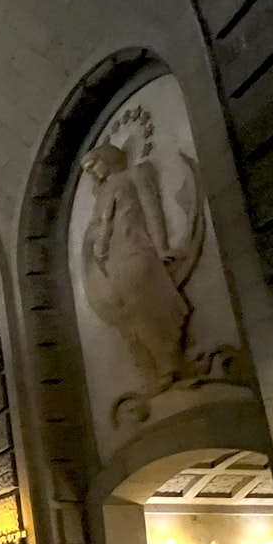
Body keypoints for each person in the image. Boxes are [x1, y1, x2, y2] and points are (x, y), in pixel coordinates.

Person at [80, 142, 191, 393]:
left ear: (107, 157)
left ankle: (168, 363)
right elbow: (98, 230)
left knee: (146, 308)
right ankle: (152, 369)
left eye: (94, 164)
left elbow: (153, 212)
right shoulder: (102, 195)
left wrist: (162, 248)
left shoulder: (134, 175)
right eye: (87, 169)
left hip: (136, 251)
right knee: (128, 319)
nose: (92, 172)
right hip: (113, 261)